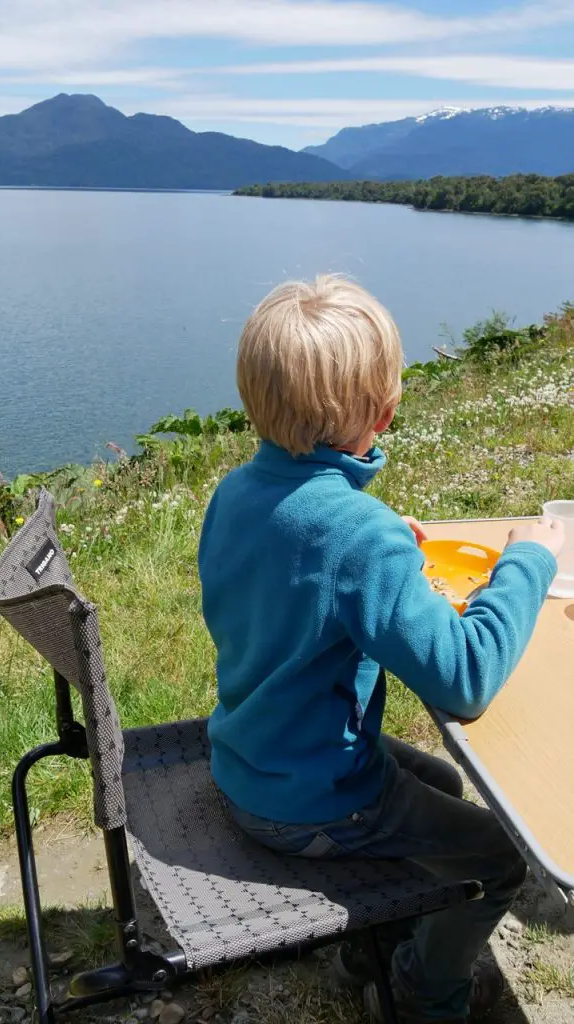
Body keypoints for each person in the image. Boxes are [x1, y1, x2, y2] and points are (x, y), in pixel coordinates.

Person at [197, 275, 564, 1023]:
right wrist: (530, 559)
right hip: (307, 802)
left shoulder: (236, 491)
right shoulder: (357, 537)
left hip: (250, 756)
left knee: (442, 779)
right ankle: (425, 995)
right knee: (497, 857)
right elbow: (464, 677)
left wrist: (386, 538)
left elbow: (304, 546)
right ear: (384, 411)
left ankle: (368, 936)